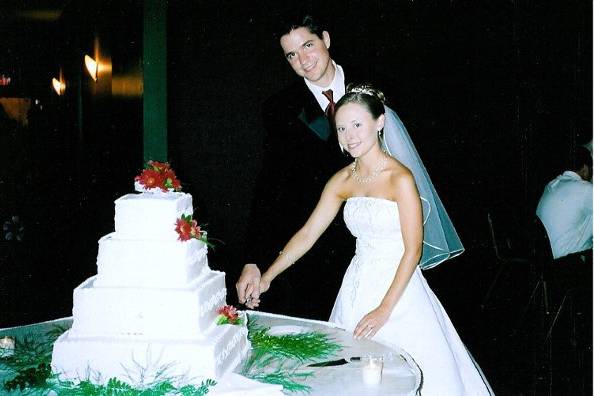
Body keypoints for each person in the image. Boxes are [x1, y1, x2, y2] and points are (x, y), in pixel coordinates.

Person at [242, 84, 492, 395]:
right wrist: (268, 276)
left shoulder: (399, 178)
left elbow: (413, 250)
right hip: (357, 285)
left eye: (357, 125)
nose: (350, 136)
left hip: (400, 291)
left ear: (380, 122)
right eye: (342, 128)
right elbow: (307, 234)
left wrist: (384, 310)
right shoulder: (342, 180)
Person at [237, 12, 463, 318]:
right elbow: (268, 187)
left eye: (308, 46)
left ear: (325, 40)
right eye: (291, 55)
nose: (303, 60)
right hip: (321, 259)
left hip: (389, 246)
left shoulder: (377, 83)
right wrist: (255, 260)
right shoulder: (280, 109)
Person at [536, 146, 593, 259]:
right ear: (585, 169)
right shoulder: (585, 189)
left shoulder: (551, 185)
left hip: (543, 260)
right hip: (568, 264)